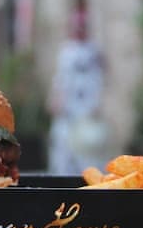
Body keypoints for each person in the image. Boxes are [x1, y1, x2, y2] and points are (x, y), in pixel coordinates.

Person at [46, 10, 110, 174]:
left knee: (87, 148)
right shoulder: (67, 50)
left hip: (86, 107)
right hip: (67, 108)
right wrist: (56, 98)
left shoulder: (94, 50)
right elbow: (60, 78)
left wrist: (98, 103)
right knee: (63, 146)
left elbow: (100, 78)